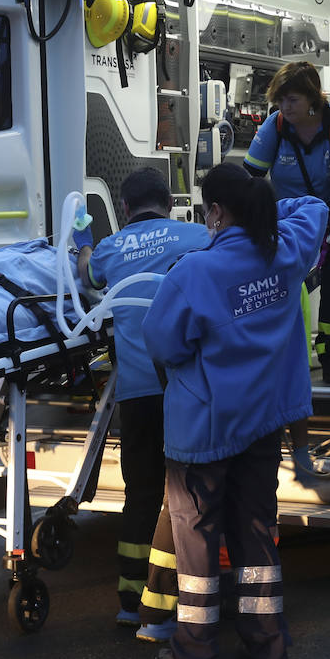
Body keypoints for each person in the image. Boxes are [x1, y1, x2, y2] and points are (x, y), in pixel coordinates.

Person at [143, 161, 325, 659]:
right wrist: (260, 211)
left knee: (196, 540)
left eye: (208, 212)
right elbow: (312, 207)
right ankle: (269, 647)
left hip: (205, 431)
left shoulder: (194, 273)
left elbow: (162, 344)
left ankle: (196, 652)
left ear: (217, 211)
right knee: (257, 534)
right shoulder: (285, 251)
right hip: (264, 422)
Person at [75, 168, 207, 631]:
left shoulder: (111, 249)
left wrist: (83, 238)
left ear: (126, 208)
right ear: (169, 203)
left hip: (136, 393)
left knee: (141, 495)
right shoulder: (197, 235)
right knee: (184, 500)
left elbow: (85, 272)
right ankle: (176, 599)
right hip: (184, 391)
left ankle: (130, 601)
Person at [243, 61, 330, 384]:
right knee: (277, 281)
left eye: (292, 100)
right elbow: (249, 178)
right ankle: (275, 353)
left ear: (312, 99)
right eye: (280, 100)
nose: (284, 107)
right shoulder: (276, 127)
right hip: (288, 220)